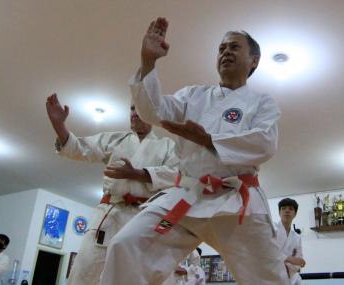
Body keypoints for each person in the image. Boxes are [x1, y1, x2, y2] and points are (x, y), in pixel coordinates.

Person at [99, 17, 290, 285]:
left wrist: (208, 139)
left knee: (270, 278)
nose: (225, 52)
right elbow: (154, 111)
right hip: (187, 199)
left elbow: (264, 144)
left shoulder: (261, 103)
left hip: (236, 203)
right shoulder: (193, 96)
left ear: (254, 61)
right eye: (222, 48)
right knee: (126, 246)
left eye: (234, 47)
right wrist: (148, 63)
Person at [46, 94, 179, 285]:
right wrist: (59, 125)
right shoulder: (117, 140)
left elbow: (176, 176)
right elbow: (79, 148)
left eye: (139, 108)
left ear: (152, 113)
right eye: (132, 108)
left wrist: (138, 174)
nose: (134, 113)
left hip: (145, 217)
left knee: (148, 276)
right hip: (110, 213)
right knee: (84, 269)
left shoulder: (168, 146)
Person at [276, 198, 306, 285]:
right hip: (272, 275)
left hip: (291, 277)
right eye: (283, 208)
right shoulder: (272, 230)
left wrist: (289, 263)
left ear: (295, 214)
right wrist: (290, 259)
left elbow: (299, 260)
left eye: (291, 208)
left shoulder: (297, 237)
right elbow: (269, 253)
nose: (287, 211)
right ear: (279, 212)